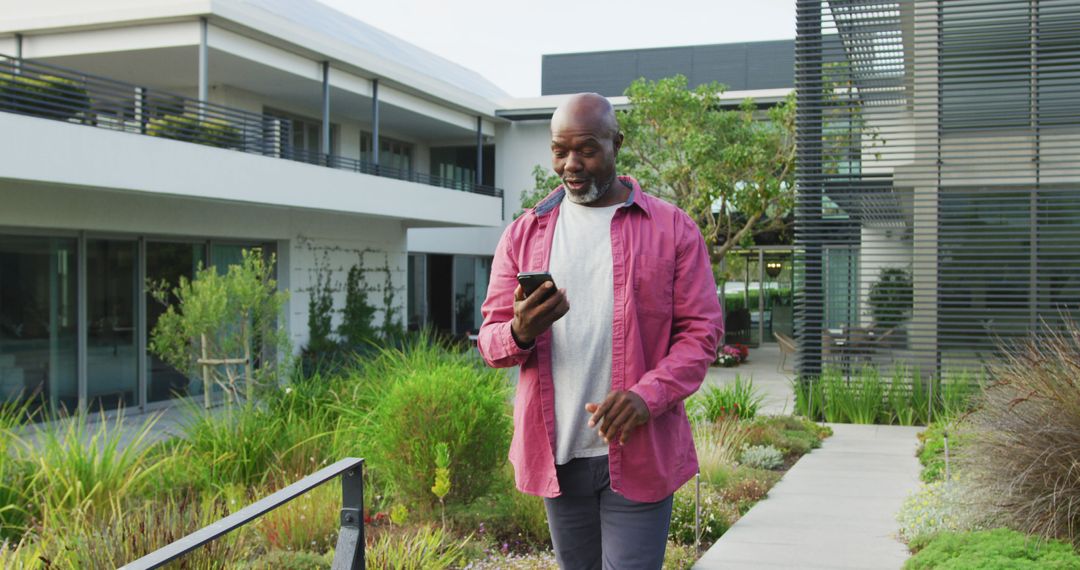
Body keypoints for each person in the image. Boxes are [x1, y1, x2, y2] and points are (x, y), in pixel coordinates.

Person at [477, 92, 723, 569]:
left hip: (639, 451)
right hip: (560, 454)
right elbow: (490, 342)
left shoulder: (672, 229)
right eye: (559, 150)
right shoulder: (524, 234)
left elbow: (702, 335)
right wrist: (520, 332)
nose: (571, 164)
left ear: (616, 144)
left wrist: (645, 397)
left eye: (587, 149)